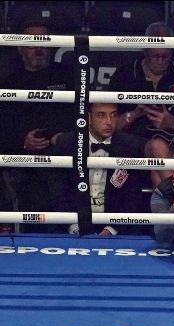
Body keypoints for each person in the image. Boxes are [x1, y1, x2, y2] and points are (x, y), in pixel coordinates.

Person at [108, 22, 174, 187]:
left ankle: (170, 201)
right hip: (133, 146)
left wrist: (172, 123)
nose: (160, 61)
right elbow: (105, 126)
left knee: (157, 166)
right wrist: (135, 113)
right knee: (157, 146)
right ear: (144, 51)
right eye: (155, 56)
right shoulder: (124, 75)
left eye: (165, 56)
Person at [0, 22, 73, 231]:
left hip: (64, 151)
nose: (39, 49)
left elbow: (83, 116)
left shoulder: (68, 76)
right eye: (32, 43)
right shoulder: (9, 83)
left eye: (43, 42)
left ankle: (71, 228)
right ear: (20, 48)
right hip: (23, 157)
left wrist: (61, 137)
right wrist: (23, 142)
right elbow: (3, 128)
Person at [51, 103, 152, 236]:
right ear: (88, 118)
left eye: (113, 115)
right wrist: (74, 227)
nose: (109, 122)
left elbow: (132, 196)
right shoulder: (67, 143)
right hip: (72, 223)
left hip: (117, 226)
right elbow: (58, 191)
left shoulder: (130, 146)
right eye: (101, 115)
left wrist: (111, 229)